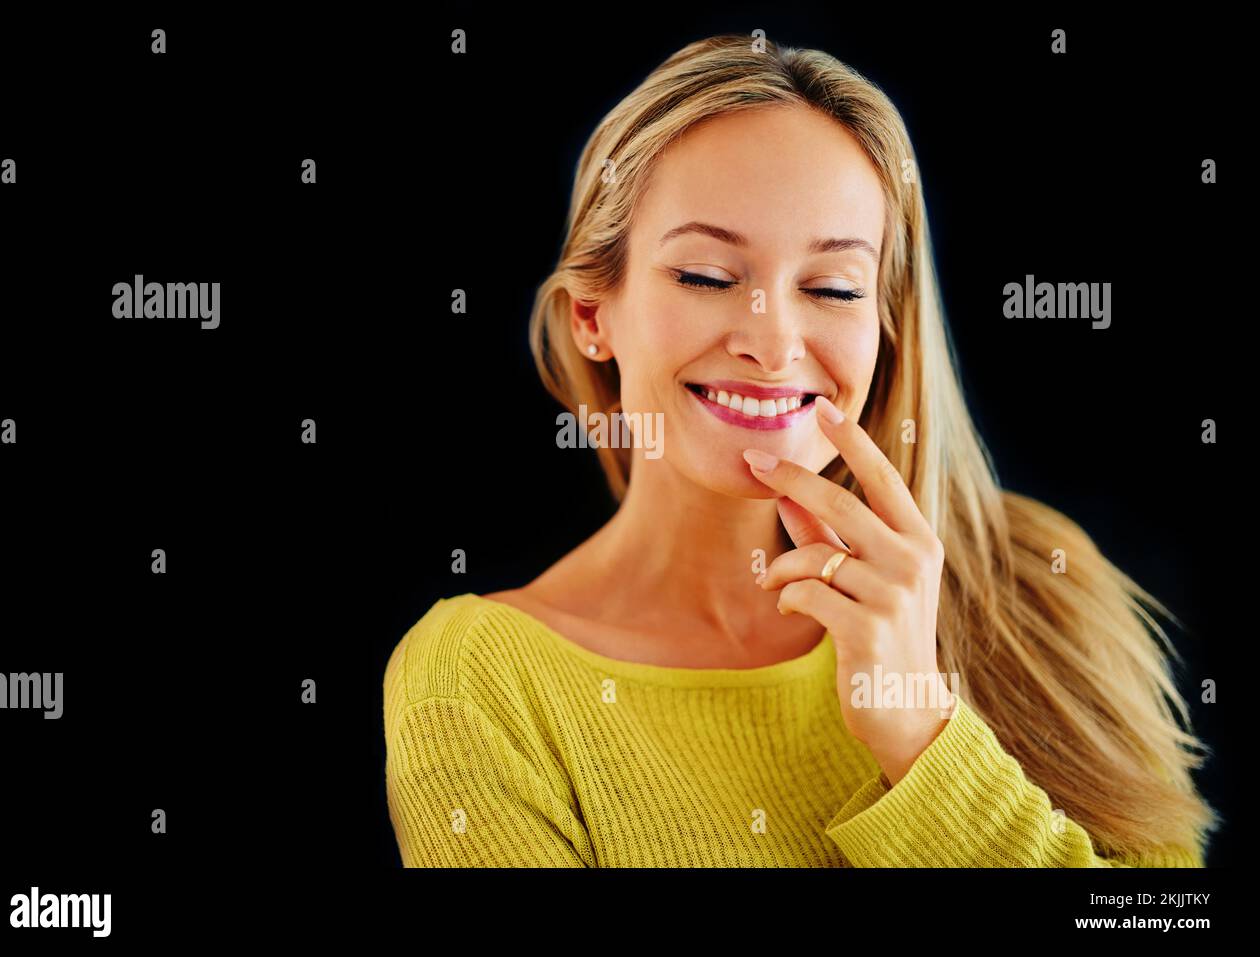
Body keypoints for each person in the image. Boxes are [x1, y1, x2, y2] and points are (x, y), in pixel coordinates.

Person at [383, 34, 1218, 867]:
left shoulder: (1040, 590)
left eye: (832, 289)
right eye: (707, 276)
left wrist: (921, 733)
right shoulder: (477, 682)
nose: (775, 343)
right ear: (593, 318)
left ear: (883, 329)